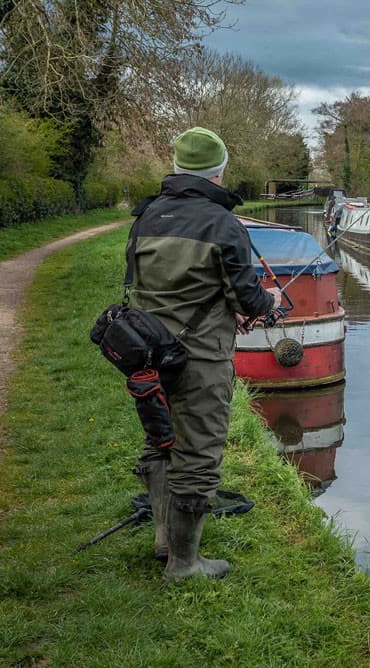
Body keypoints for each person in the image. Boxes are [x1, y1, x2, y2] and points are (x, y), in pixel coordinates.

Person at [128, 127, 281, 582]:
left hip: (146, 352)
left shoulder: (146, 216)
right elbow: (249, 299)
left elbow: (154, 287)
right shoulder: (223, 224)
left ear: (175, 167)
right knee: (198, 455)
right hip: (200, 358)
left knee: (160, 440)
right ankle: (185, 563)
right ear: (219, 172)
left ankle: (163, 537)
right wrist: (268, 302)